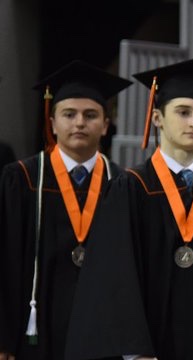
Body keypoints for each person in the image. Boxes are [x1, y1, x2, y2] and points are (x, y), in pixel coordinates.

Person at [64, 58, 193, 360]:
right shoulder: (131, 188)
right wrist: (135, 349)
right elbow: (116, 276)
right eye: (183, 112)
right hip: (148, 351)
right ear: (157, 118)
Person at [0, 61, 130, 360]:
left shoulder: (123, 184)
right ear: (53, 123)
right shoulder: (21, 178)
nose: (79, 123)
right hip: (34, 333)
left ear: (106, 125)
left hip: (103, 334)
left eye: (91, 115)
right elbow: (4, 261)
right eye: (69, 114)